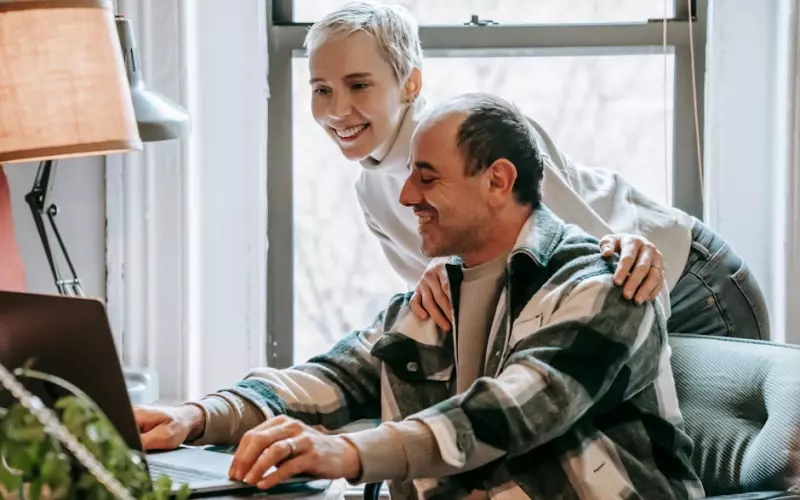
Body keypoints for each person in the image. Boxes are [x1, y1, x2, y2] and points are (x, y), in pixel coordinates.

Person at [136, 94, 703, 499]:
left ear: (498, 182)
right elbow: (337, 377)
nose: (407, 195)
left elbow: (514, 410)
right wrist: (197, 416)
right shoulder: (438, 293)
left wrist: (350, 454)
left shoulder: (605, 284)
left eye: (428, 178)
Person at [304, 1, 770, 339]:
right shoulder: (372, 192)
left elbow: (589, 252)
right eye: (321, 89)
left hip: (688, 283)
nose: (338, 110)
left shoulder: (482, 133)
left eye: (358, 85)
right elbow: (452, 306)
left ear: (411, 84)